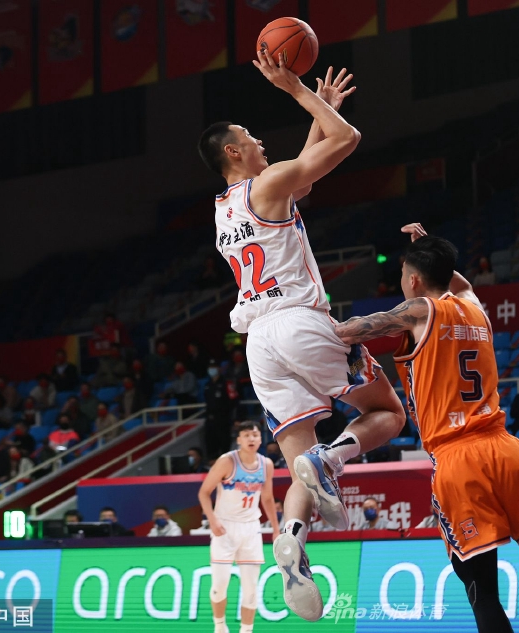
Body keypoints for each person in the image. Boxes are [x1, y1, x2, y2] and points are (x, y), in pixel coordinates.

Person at [199, 59, 406, 622]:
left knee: (299, 468)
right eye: (251, 137)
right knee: (388, 413)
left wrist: (322, 111)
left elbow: (304, 178)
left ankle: (290, 543)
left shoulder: (223, 211)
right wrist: (295, 89)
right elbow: (348, 140)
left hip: (258, 345)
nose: (261, 142)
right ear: (234, 152)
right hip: (298, 321)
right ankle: (332, 457)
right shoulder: (266, 185)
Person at [334, 226, 519, 633]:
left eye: (403, 273)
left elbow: (349, 330)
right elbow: (464, 284)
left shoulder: (418, 311)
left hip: (458, 457)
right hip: (508, 449)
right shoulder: (474, 307)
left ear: (414, 280)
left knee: (483, 593)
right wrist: (430, 251)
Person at [198, 421, 279, 633]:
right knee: (219, 585)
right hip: (224, 527)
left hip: (251, 528)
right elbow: (204, 492)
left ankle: (247, 630)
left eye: (255, 435)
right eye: (246, 435)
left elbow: (267, 498)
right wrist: (212, 520)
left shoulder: (266, 464)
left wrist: (276, 528)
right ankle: (219, 627)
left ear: (261, 439)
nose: (251, 439)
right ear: (239, 440)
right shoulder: (227, 461)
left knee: (251, 589)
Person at [205, 360, 236, 460]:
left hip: (223, 419)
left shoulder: (227, 383)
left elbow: (234, 401)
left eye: (214, 367)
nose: (212, 369)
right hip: (210, 420)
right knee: (211, 444)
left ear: (219, 368)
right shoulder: (207, 385)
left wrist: (234, 418)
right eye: (210, 367)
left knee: (224, 444)